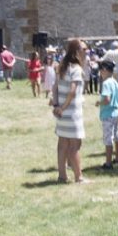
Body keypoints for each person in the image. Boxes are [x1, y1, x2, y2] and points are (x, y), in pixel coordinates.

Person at [51, 38, 87, 184]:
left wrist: (56, 106)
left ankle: (62, 176)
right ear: (77, 51)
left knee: (62, 144)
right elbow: (72, 91)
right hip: (72, 112)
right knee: (74, 146)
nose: (86, 52)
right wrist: (63, 107)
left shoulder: (62, 67)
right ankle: (79, 177)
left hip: (62, 113)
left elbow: (55, 87)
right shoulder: (77, 69)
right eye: (84, 49)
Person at [98, 60, 118, 169]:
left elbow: (107, 100)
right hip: (117, 112)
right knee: (117, 136)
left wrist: (99, 102)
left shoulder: (106, 83)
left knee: (108, 139)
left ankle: (108, 163)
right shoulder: (115, 82)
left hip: (108, 114)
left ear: (104, 70)